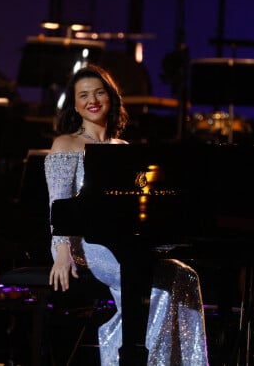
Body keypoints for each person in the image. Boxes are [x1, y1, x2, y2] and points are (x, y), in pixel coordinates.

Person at [45, 64, 209, 365]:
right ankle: (128, 355)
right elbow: (58, 204)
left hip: (127, 242)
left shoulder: (124, 148)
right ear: (75, 105)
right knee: (153, 286)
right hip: (88, 245)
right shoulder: (65, 143)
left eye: (98, 92)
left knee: (185, 276)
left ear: (110, 97)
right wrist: (61, 251)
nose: (92, 100)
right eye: (84, 95)